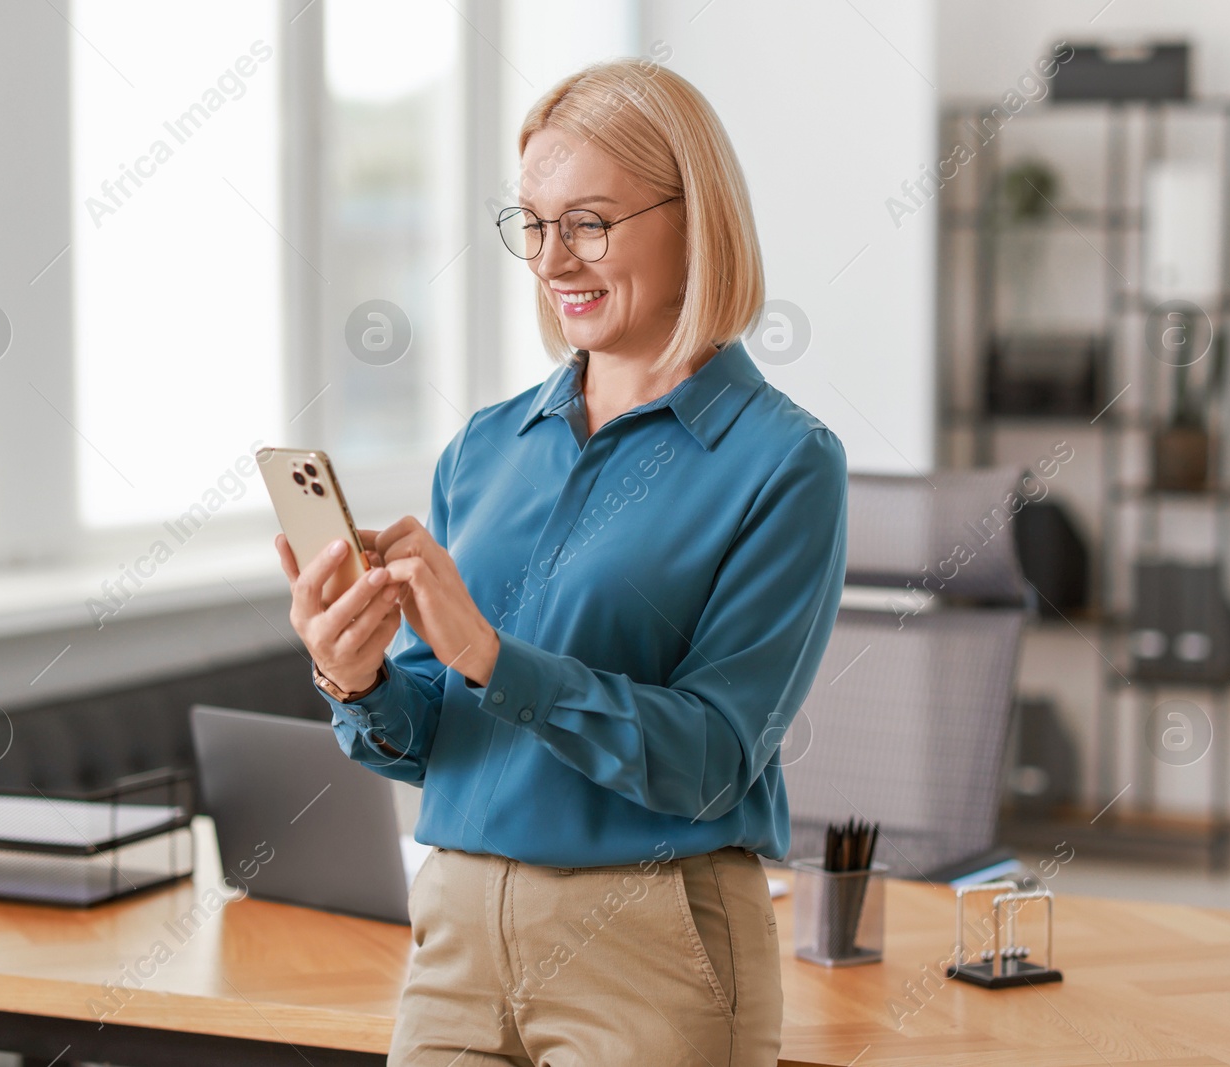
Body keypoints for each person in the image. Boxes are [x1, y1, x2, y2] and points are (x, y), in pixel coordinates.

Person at [275, 58, 848, 1067]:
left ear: (694, 217)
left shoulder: (783, 462)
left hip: (652, 942)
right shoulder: (486, 446)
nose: (552, 259)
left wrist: (494, 656)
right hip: (453, 930)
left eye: (588, 222)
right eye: (532, 224)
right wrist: (355, 675)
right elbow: (432, 732)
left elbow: (713, 758)